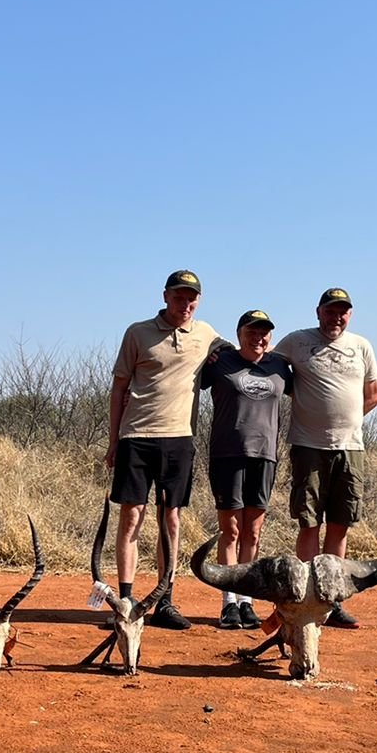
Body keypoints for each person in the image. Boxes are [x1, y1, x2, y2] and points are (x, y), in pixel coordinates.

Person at [106, 270, 223, 630]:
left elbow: (242, 352)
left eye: (191, 298)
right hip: (136, 436)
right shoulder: (137, 332)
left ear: (198, 301)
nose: (185, 304)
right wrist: (113, 441)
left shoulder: (206, 335)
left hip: (179, 437)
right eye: (178, 297)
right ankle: (126, 602)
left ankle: (165, 601)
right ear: (165, 296)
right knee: (131, 517)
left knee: (170, 519)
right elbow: (118, 388)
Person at [273, 287, 377, 628]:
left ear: (349, 314)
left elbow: (373, 395)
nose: (337, 317)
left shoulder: (361, 345)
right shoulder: (296, 342)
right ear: (318, 311)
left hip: (350, 448)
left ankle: (331, 601)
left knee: (340, 524)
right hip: (308, 446)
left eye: (343, 312)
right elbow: (269, 371)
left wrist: (345, 421)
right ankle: (304, 597)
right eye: (331, 310)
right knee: (309, 522)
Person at [198, 309, 293, 629]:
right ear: (239, 334)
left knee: (252, 532)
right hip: (228, 454)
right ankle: (228, 603)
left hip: (264, 456)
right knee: (231, 530)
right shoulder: (221, 362)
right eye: (252, 331)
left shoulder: (280, 366)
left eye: (264, 332)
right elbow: (193, 377)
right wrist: (214, 353)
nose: (259, 337)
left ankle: (247, 601)